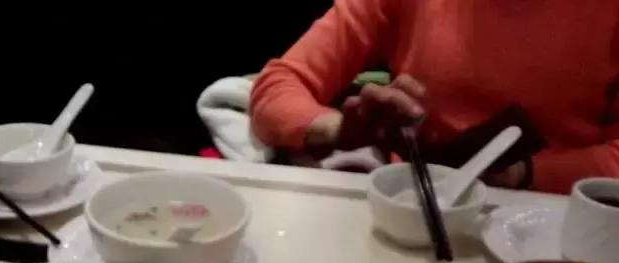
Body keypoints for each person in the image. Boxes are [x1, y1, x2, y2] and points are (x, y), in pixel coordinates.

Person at [249, 0, 619, 194]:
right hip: (413, 204)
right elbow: (277, 86)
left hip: (558, 223)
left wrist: (522, 174)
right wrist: (338, 129)